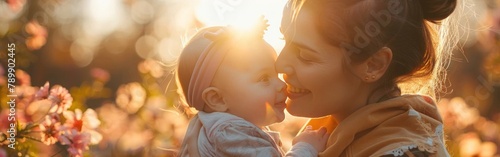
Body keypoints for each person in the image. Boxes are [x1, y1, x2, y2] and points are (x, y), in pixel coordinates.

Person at [276, 0, 459, 156]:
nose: (279, 64)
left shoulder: (403, 151)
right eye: (283, 40)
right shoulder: (324, 133)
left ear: (374, 65)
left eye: (305, 56)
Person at [176, 24, 329, 157]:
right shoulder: (230, 134)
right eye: (264, 78)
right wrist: (305, 148)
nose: (282, 84)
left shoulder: (215, 131)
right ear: (217, 99)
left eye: (276, 74)